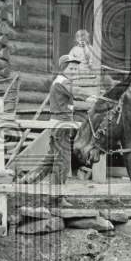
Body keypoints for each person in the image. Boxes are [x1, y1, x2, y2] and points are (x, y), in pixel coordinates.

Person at [47, 54, 80, 184]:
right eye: (71, 69)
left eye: (76, 69)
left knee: (49, 160)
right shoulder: (63, 81)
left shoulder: (63, 82)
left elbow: (72, 101)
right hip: (60, 124)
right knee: (64, 162)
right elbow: (78, 92)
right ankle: (58, 196)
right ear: (63, 68)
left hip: (61, 124)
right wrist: (98, 98)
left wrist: (91, 99)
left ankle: (26, 181)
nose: (74, 72)